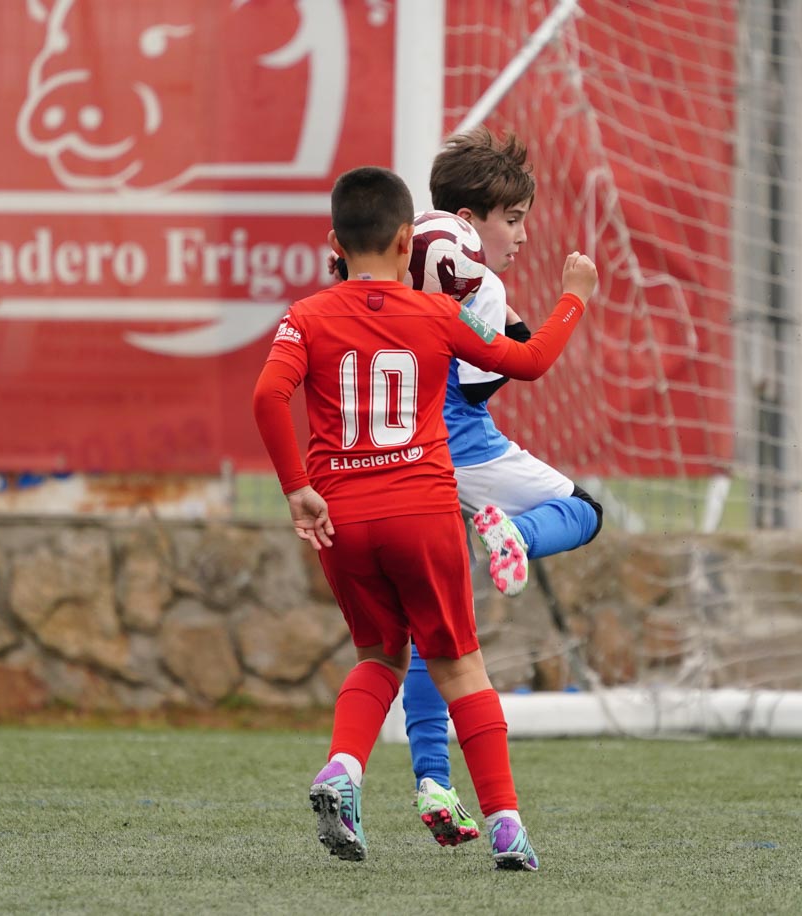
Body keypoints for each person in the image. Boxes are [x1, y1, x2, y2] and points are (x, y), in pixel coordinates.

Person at [251, 165, 598, 870]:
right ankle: (506, 826)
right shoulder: (437, 315)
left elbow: (266, 397)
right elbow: (528, 362)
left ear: (334, 241)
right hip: (422, 507)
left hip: (341, 514)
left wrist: (297, 489)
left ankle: (343, 770)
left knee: (381, 653)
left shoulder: (306, 317)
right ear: (408, 240)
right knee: (460, 665)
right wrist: (573, 299)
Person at [403, 127, 604, 847]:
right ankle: (515, 532)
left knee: (434, 627)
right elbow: (509, 368)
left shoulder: (397, 261)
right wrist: (572, 298)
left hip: (393, 455)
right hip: (458, 448)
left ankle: (431, 779)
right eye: (512, 220)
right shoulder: (479, 282)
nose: (520, 235)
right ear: (470, 219)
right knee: (583, 509)